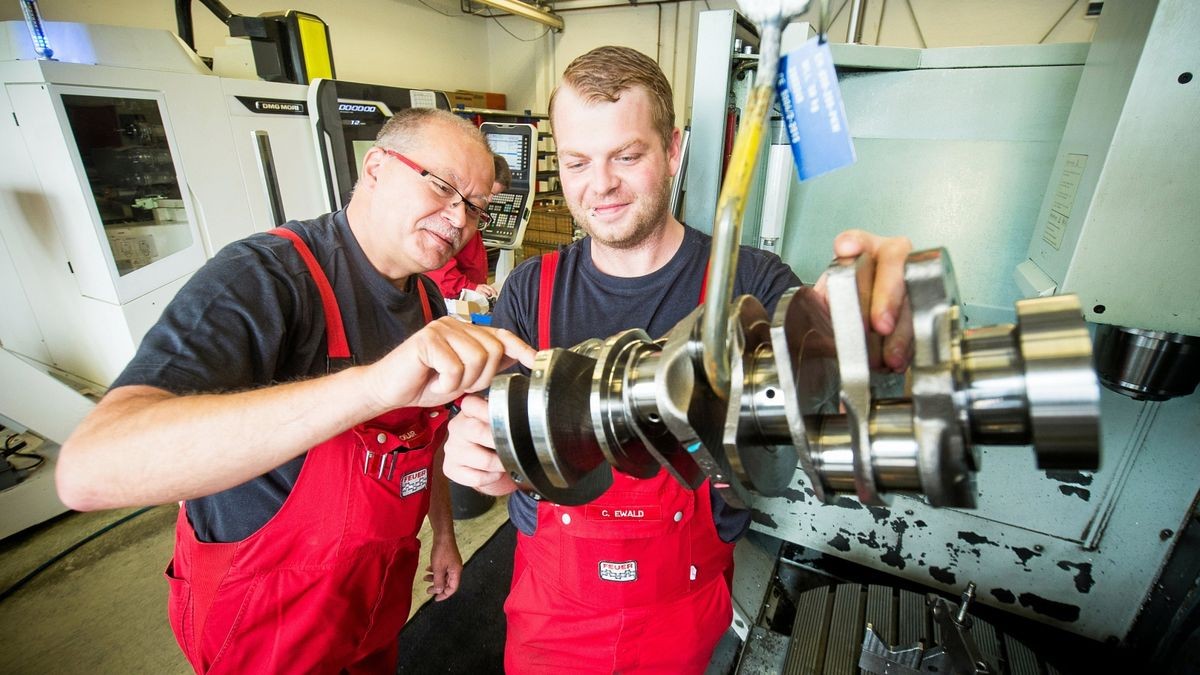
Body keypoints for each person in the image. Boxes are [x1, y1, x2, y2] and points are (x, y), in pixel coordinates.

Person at [442, 46, 914, 674]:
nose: (600, 184)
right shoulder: (531, 290)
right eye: (578, 161)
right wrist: (478, 451)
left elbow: (835, 409)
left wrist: (870, 340)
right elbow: (490, 427)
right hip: (552, 609)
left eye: (627, 156)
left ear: (672, 151)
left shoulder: (751, 284)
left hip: (682, 609)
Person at [55, 107, 536, 674]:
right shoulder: (266, 277)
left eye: (475, 205)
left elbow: (421, 444)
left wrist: (445, 535)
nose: (459, 217)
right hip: (264, 620)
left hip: (375, 600)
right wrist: (373, 387)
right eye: (443, 186)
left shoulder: (427, 304)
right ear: (377, 167)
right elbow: (90, 469)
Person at [426, 154, 512, 301]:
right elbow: (438, 266)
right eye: (489, 192)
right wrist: (468, 287)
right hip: (454, 298)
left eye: (495, 195)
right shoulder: (456, 218)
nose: (489, 200)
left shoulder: (472, 216)